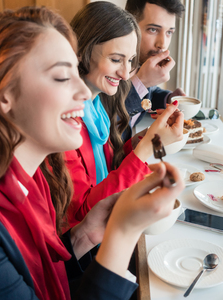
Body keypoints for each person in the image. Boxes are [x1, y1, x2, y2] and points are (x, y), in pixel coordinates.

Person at [0, 7, 184, 300]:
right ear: (4, 93)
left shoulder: (34, 184)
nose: (84, 93)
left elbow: (38, 277)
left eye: (76, 71)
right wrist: (121, 234)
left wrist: (86, 234)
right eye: (62, 76)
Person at [65, 1, 184, 229]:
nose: (125, 73)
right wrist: (148, 146)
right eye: (116, 60)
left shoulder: (96, 106)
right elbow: (85, 214)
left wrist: (148, 136)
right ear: (82, 51)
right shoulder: (68, 123)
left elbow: (112, 163)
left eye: (130, 61)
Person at [123, 0, 186, 139]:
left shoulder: (140, 63)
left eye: (169, 32)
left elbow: (148, 93)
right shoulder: (112, 66)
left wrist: (168, 98)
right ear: (130, 25)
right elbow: (107, 123)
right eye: (153, 29)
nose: (162, 44)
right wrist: (142, 82)